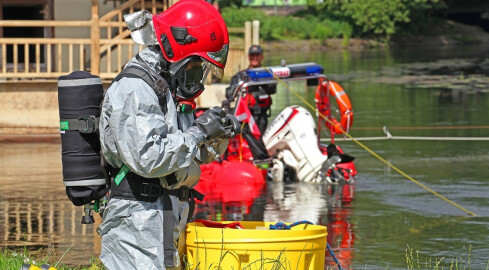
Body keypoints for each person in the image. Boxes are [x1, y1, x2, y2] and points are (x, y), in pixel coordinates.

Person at [97, 1, 240, 269]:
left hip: (165, 218)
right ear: (179, 55)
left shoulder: (166, 88)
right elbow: (150, 157)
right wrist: (199, 132)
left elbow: (189, 153)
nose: (199, 78)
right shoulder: (135, 89)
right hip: (138, 225)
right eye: (198, 68)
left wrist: (218, 134)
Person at [224, 45, 276, 160]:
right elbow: (229, 92)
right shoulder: (241, 75)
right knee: (247, 134)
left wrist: (262, 79)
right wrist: (235, 90)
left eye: (257, 55)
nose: (255, 58)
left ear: (262, 56)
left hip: (261, 115)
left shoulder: (267, 74)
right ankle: (261, 159)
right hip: (247, 115)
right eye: (252, 55)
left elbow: (273, 89)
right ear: (248, 57)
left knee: (258, 138)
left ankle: (262, 160)